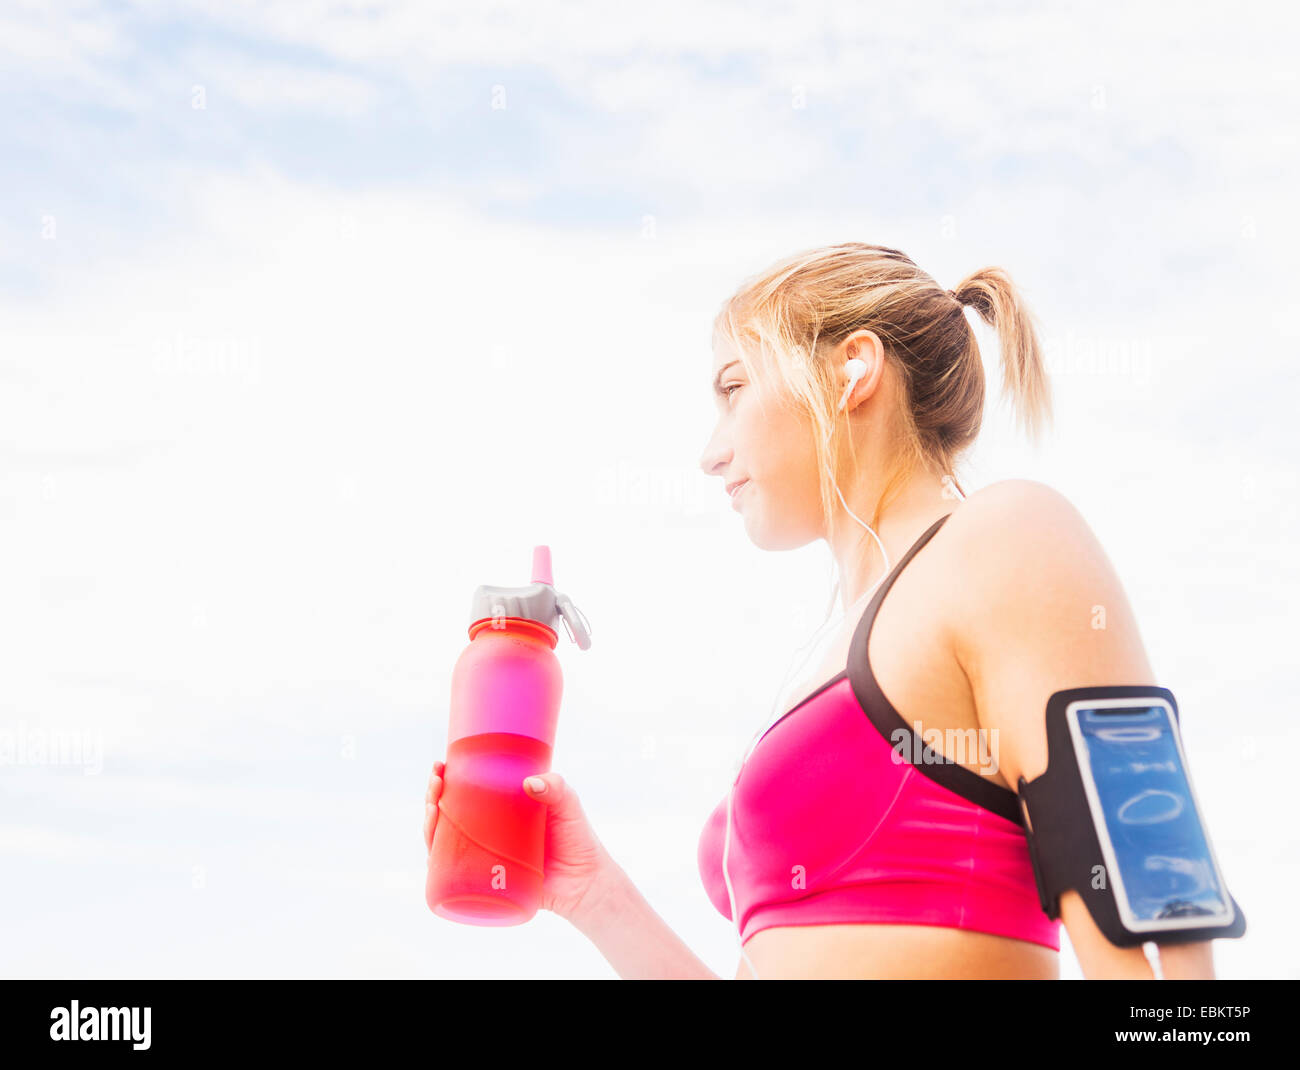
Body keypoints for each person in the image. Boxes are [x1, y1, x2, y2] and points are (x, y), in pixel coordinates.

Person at [424, 241, 1217, 980]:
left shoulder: (1006, 536)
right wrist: (593, 895)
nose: (711, 451)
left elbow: (1153, 886)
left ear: (852, 370)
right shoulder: (827, 652)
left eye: (735, 389)